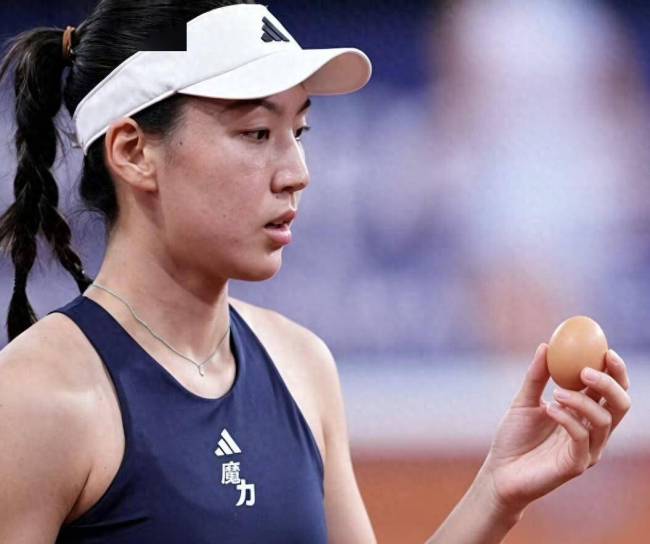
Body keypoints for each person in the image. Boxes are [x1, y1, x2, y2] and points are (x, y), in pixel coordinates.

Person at [0, 1, 631, 543]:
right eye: (256, 132)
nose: (297, 171)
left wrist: (497, 491)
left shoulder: (301, 366)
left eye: (298, 129)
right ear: (134, 151)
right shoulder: (38, 398)